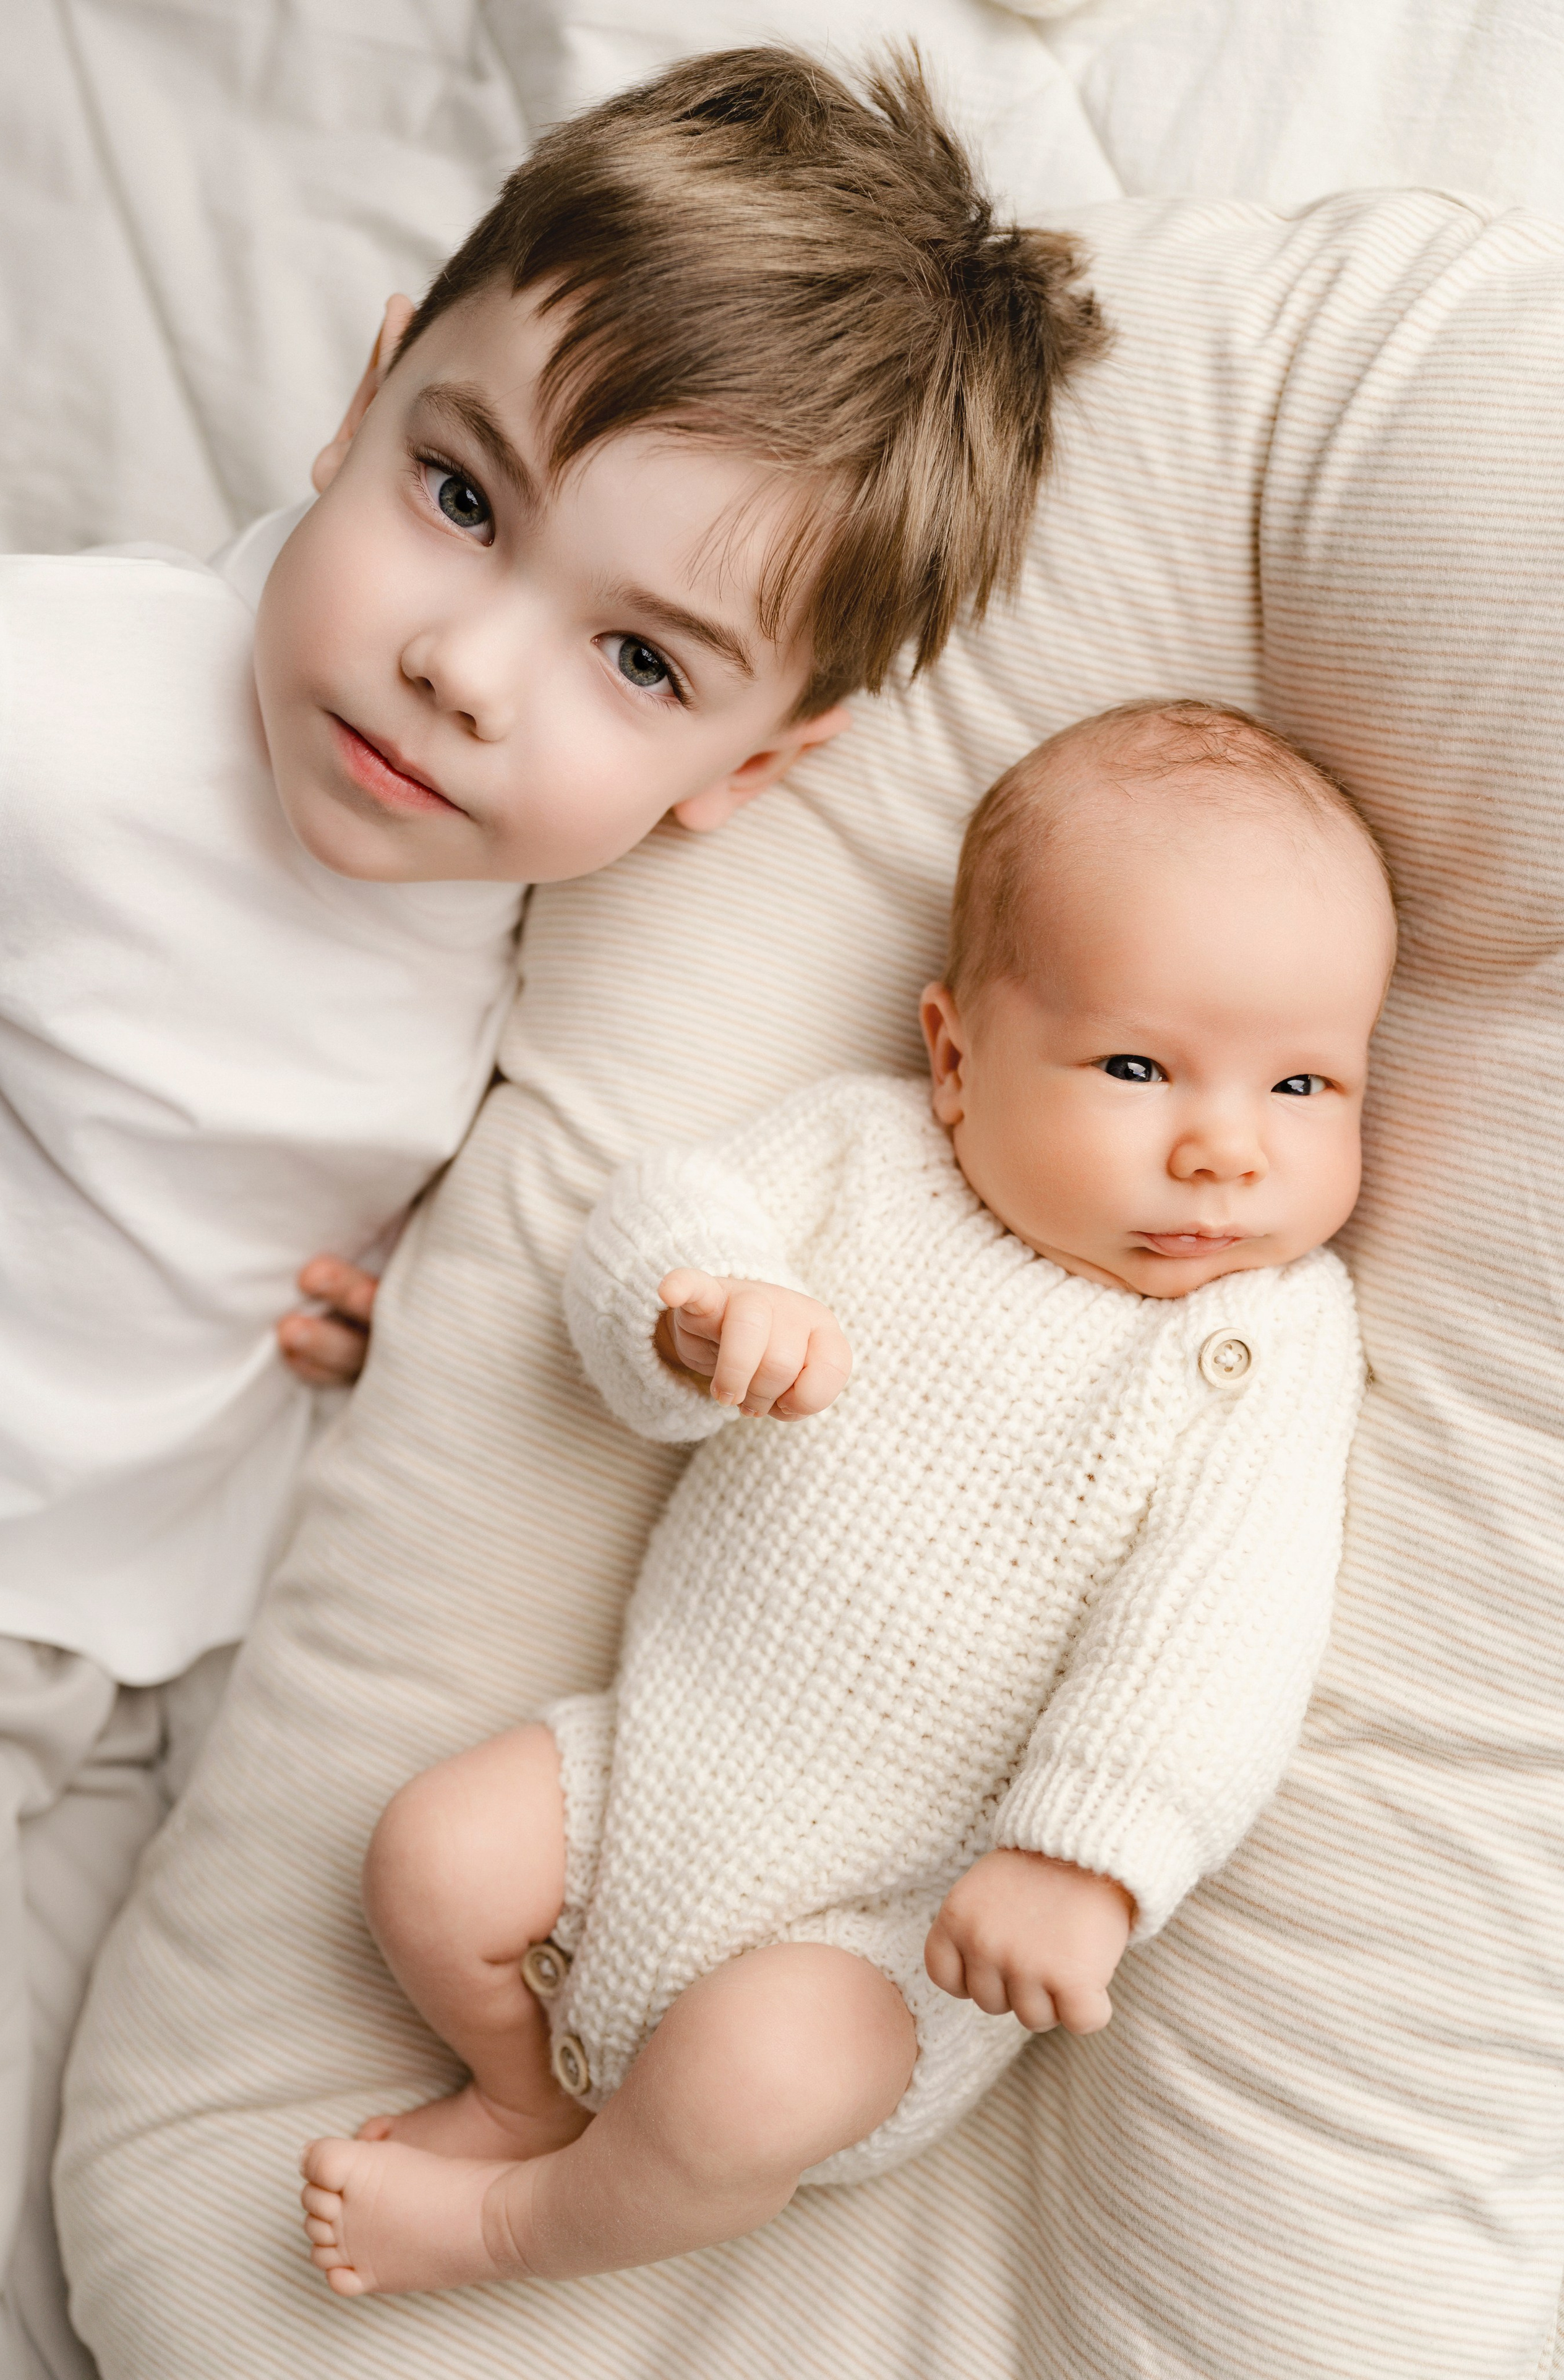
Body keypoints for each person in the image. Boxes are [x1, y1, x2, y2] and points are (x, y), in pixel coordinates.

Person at [0, 48, 1103, 2377]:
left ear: (752, 776)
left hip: (126, 1644)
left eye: (637, 663)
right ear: (367, 391)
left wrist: (390, 1297)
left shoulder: (546, 957)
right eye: (461, 495)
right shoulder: (68, 705)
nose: (460, 669)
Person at [300, 698, 1396, 2298]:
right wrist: (698, 1304)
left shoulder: (1262, 1341)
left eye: (1305, 1087)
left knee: (748, 2088)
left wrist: (1085, 1858)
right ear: (955, 1058)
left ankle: (513, 2226)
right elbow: (665, 1209)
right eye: (1142, 1066)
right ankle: (521, 2094)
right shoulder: (867, 1161)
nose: (1226, 1151)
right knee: (429, 1858)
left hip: (899, 1932)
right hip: (656, 1770)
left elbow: (1225, 1625)